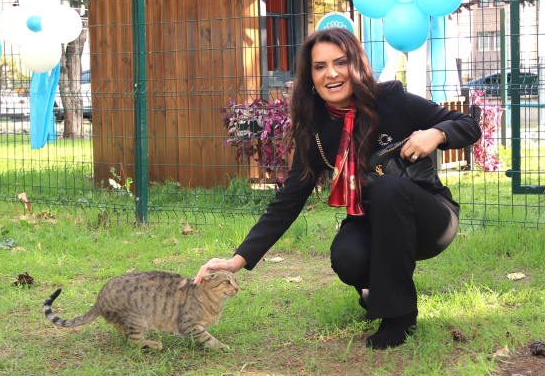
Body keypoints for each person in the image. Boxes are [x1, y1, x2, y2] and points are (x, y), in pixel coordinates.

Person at [194, 28, 481, 349]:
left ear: (355, 65)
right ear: (310, 77)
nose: (331, 73)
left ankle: (399, 317)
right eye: (320, 66)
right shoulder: (314, 130)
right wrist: (237, 261)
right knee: (347, 256)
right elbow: (287, 202)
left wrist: (437, 134)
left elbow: (468, 124)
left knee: (388, 188)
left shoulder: (391, 100)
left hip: (430, 216)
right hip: (374, 220)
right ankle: (375, 289)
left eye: (340, 62)